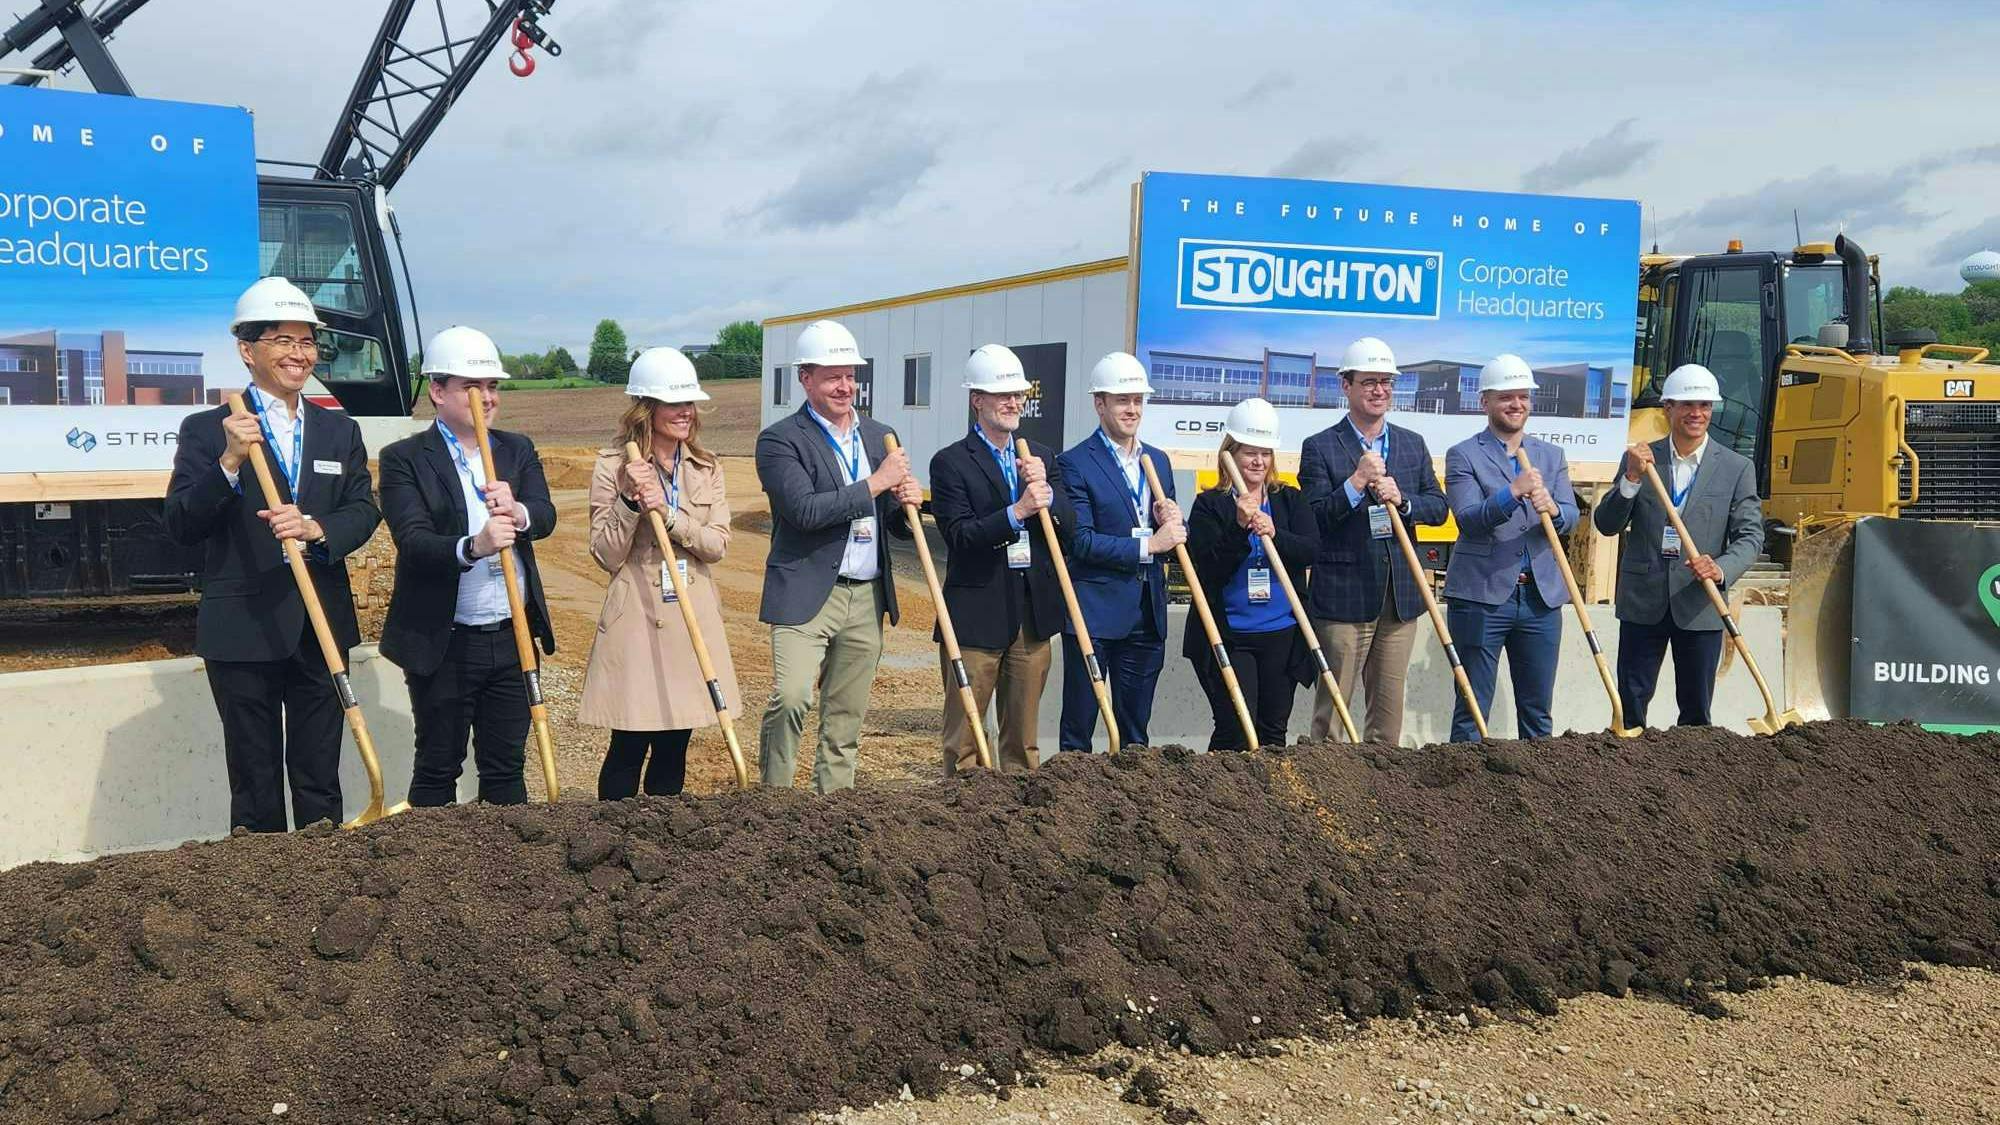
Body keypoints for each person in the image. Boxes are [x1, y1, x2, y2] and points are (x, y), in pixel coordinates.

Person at [162, 277, 381, 831]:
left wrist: (315, 527)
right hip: (243, 626)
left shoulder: (338, 430)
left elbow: (363, 509)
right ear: (247, 349)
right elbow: (182, 523)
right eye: (283, 340)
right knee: (255, 777)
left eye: (307, 342)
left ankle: (322, 884)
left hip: (320, 624)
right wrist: (230, 464)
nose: (299, 354)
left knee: (318, 774)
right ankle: (262, 899)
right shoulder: (210, 430)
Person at [377, 326, 555, 806]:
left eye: (493, 386)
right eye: (472, 387)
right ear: (437, 391)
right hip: (446, 640)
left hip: (512, 633)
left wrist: (519, 513)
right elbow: (413, 542)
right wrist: (473, 546)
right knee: (438, 766)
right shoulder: (404, 460)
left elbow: (546, 515)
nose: (487, 398)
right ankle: (429, 871)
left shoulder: (516, 449)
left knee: (506, 768)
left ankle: (506, 871)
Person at [755, 319, 921, 792]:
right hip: (807, 590)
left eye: (850, 375)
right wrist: (877, 482)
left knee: (846, 718)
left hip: (866, 594)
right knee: (791, 698)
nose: (845, 386)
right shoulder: (780, 440)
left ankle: (833, 814)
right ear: (805, 379)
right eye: (832, 376)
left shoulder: (880, 435)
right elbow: (804, 510)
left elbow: (889, 521)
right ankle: (775, 804)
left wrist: (905, 507)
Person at [579, 348, 738, 797]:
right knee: (628, 741)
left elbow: (717, 545)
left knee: (675, 745)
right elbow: (605, 554)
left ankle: (663, 844)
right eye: (674, 403)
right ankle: (612, 840)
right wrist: (629, 502)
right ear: (646, 409)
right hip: (636, 616)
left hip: (690, 612)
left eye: (690, 403)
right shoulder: (612, 466)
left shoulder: (707, 468)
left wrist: (669, 516)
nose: (686, 413)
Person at [927, 344, 1074, 774]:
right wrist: (1018, 511)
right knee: (966, 739)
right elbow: (959, 536)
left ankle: (1019, 823)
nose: (1013, 403)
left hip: (1031, 618)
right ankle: (965, 818)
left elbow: (1068, 526)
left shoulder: (1041, 457)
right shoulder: (951, 463)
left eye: (1019, 395)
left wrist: (1047, 495)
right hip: (975, 617)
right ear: (977, 400)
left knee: (1024, 742)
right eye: (1002, 395)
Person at [1593, 363, 1765, 727]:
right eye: (1686, 405)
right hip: (1644, 601)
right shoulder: (1640, 459)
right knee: (1631, 705)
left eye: (1703, 405)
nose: (1696, 413)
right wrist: (1631, 479)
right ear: (1668, 408)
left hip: (1699, 601)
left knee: (1696, 709)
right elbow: (1607, 524)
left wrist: (1721, 568)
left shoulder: (1736, 467)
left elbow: (1750, 536)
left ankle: (1693, 777)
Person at [1297, 336, 1448, 746]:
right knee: (1334, 713)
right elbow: (1313, 519)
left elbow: (1438, 508)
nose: (1379, 390)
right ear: (1346, 386)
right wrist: (1356, 481)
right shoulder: (1320, 447)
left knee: (1386, 716)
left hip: (1399, 599)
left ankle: (1381, 793)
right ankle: (1325, 786)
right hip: (1345, 599)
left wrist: (1405, 501)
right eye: (1368, 382)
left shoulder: (1411, 444)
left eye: (1386, 382)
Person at [1440, 355, 1577, 742]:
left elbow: (1570, 515)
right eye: (1506, 397)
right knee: (1471, 710)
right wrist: (1512, 493)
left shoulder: (1551, 456)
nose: (1517, 405)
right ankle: (1464, 794)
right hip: (1483, 596)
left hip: (1540, 599)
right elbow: (1468, 518)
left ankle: (1539, 791)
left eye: (1523, 397)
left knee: (1537, 713)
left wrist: (1556, 510)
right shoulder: (1463, 454)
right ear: (1486, 402)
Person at [1056, 352, 1185, 751]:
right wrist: (1150, 544)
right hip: (1095, 614)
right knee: (1079, 728)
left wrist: (1176, 523)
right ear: (1100, 404)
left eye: (1137, 401)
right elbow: (1082, 541)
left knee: (1135, 733)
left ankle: (1131, 808)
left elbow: (1171, 537)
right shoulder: (1074, 463)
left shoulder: (1158, 461)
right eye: (1121, 401)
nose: (1131, 410)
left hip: (1147, 615)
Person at [1182, 399, 1316, 750]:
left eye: (1265, 453)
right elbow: (1208, 570)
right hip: (1230, 635)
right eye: (1248, 452)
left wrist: (1275, 533)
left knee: (1273, 731)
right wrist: (1240, 529)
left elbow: (1311, 550)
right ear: (1231, 453)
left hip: (1281, 633)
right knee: (1235, 729)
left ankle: (1271, 801)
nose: (1258, 461)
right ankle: (1222, 800)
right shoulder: (1210, 505)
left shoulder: (1288, 500)